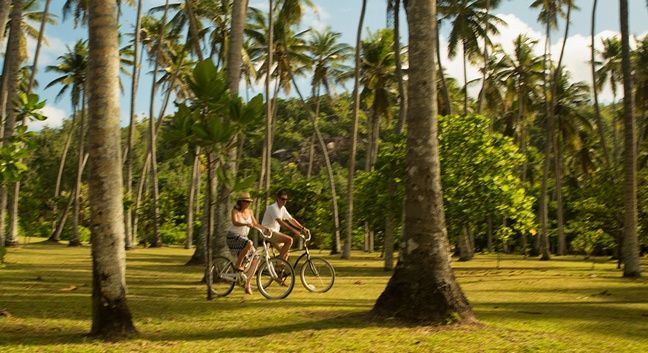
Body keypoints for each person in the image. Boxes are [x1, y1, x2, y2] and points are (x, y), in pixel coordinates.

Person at [226, 192, 267, 295]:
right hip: (233, 236)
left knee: (256, 258)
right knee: (250, 243)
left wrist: (265, 228)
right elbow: (235, 222)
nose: (248, 203)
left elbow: (255, 224)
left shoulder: (250, 212)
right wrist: (246, 224)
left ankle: (247, 284)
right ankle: (238, 264)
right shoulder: (235, 211)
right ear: (241, 202)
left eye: (249, 202)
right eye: (246, 201)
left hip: (243, 238)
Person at [261, 190, 309, 261]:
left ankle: (280, 270)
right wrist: (294, 230)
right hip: (267, 232)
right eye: (282, 199)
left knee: (286, 252)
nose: (284, 201)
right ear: (278, 198)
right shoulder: (273, 208)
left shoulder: (282, 208)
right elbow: (281, 222)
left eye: (286, 199)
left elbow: (291, 220)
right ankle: (279, 261)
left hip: (274, 233)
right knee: (289, 240)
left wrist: (303, 228)